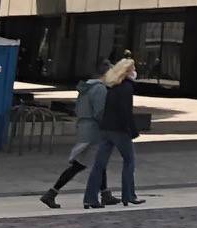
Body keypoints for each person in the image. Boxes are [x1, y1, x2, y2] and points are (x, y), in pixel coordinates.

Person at [42, 56, 118, 209]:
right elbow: (100, 112)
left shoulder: (86, 88)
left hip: (83, 127)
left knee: (93, 163)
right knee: (87, 164)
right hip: (94, 131)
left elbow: (78, 109)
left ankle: (105, 193)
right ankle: (52, 192)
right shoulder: (100, 89)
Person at [83, 57, 143, 208]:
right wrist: (133, 131)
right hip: (120, 130)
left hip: (106, 129)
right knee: (129, 161)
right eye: (133, 69)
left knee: (99, 165)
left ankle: (90, 198)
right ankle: (128, 195)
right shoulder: (127, 87)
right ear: (128, 72)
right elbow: (126, 112)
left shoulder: (112, 85)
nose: (135, 71)